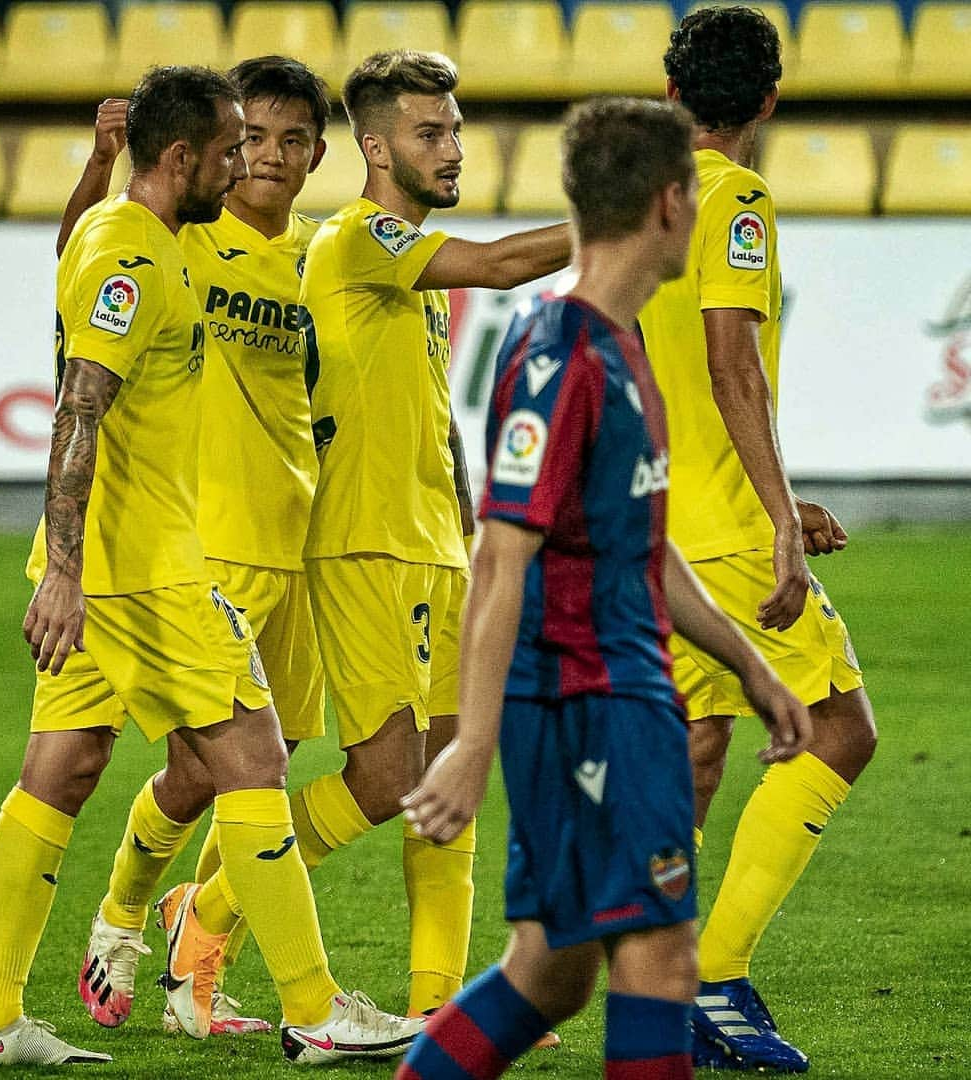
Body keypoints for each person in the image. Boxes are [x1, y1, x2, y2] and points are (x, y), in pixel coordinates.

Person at [395, 95, 813, 1080]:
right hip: (591, 701)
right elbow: (502, 557)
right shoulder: (562, 354)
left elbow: (643, 546)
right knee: (661, 957)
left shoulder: (616, 342)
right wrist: (471, 745)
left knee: (552, 973)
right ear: (672, 204)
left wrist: (750, 669)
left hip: (619, 686)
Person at [55, 59, 424, 1065]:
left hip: (293, 547)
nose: (271, 153)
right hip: (197, 545)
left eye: (296, 138)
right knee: (221, 766)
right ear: (227, 145)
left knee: (240, 765)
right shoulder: (182, 229)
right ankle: (135, 927)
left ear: (315, 154)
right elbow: (81, 273)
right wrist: (98, 166)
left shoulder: (322, 256)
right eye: (253, 135)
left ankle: (184, 962)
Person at [0, 64, 251, 1068]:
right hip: (127, 569)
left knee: (65, 770)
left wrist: (93, 163)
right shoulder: (136, 252)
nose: (240, 165)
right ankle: (305, 1006)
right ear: (178, 159)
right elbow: (78, 407)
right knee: (245, 762)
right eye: (228, 149)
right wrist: (66, 573)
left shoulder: (140, 233)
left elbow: (78, 246)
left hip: (117, 559)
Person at [289, 48, 572, 1029]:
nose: (453, 149)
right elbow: (498, 266)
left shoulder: (409, 266)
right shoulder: (359, 236)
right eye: (429, 132)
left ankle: (434, 1009)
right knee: (383, 781)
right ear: (374, 147)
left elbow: (434, 416)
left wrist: (467, 524)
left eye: (454, 129)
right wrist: (621, 225)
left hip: (434, 548)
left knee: (454, 776)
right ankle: (219, 904)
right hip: (361, 543)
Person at [638, 8, 877, 1072]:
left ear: (672, 90)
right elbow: (731, 363)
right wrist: (780, 517)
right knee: (839, 732)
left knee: (694, 748)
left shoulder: (635, 195)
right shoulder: (735, 196)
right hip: (727, 536)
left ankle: (644, 982)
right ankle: (713, 975)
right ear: (772, 100)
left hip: (650, 523)